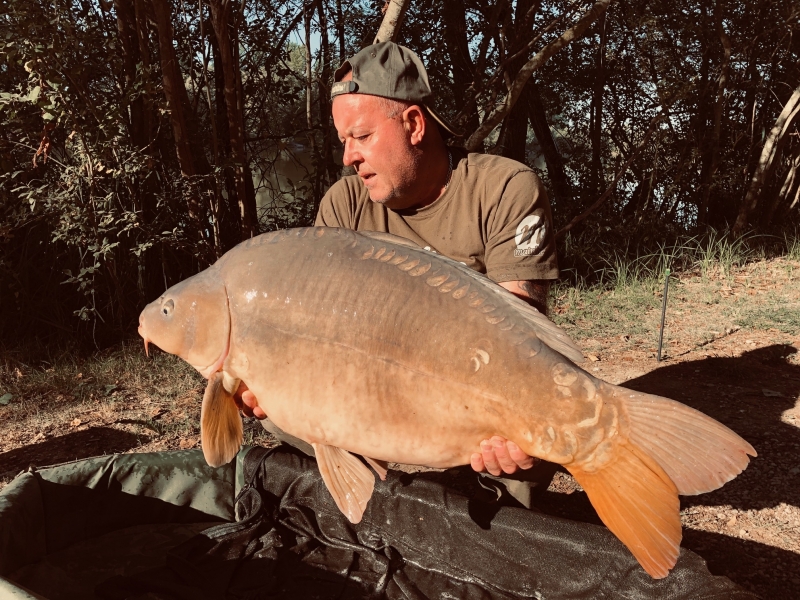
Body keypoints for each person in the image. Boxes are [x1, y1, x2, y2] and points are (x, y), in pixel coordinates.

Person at [236, 41, 561, 506]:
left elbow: (525, 338)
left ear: (413, 124)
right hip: (378, 396)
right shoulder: (343, 206)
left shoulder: (504, 188)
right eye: (343, 140)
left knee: (523, 457)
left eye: (362, 136)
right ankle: (381, 490)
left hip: (476, 403)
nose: (348, 157)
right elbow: (318, 334)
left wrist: (516, 424)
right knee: (276, 408)